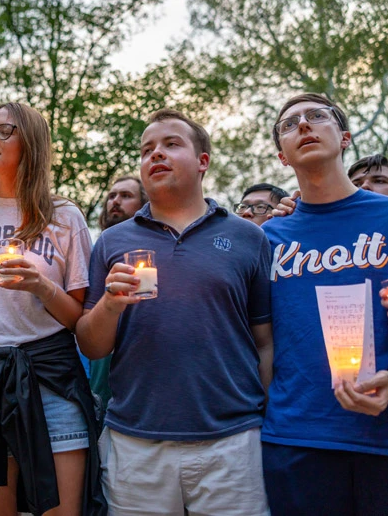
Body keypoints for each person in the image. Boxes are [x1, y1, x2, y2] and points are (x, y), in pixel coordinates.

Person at [76, 109, 272, 516]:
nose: (156, 155)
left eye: (171, 144)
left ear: (203, 161)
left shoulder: (248, 237)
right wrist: (111, 304)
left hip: (232, 442)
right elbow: (91, 346)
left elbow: (264, 341)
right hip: (135, 442)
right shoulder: (113, 241)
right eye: (147, 149)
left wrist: (264, 420)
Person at [0, 103, 102, 516]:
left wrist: (42, 285)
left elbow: (79, 320)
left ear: (30, 142)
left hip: (49, 379)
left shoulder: (64, 217)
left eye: (3, 131)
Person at [261, 93, 388, 515]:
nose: (304, 125)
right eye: (290, 124)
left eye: (317, 116)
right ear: (282, 157)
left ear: (344, 138)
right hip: (294, 438)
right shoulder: (268, 240)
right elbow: (260, 338)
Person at [90, 176, 148, 415]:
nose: (115, 201)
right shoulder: (95, 249)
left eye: (126, 196)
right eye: (112, 196)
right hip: (97, 361)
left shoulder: (150, 251)